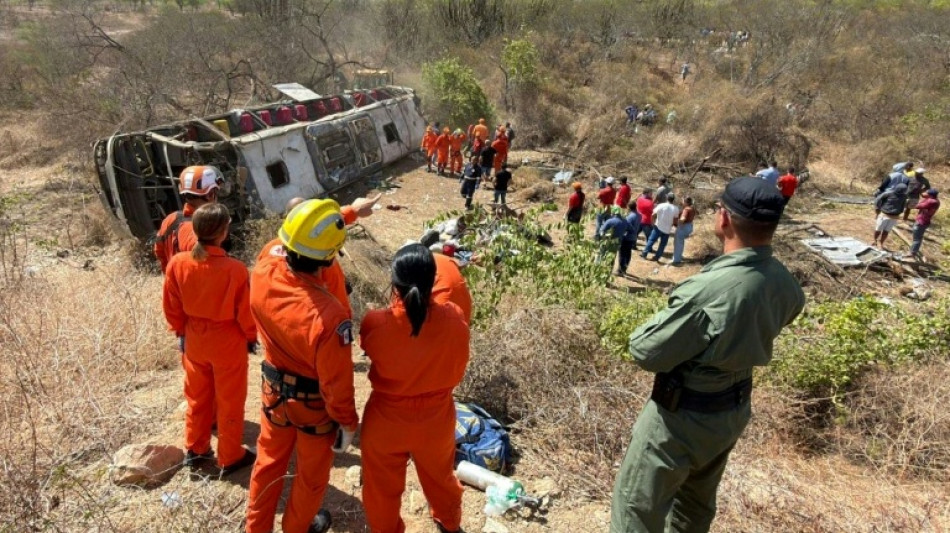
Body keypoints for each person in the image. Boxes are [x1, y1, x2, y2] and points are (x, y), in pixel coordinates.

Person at [610, 176, 805, 533]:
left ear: (724, 218)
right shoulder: (783, 281)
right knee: (694, 507)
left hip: (681, 416)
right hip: (730, 410)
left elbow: (645, 350)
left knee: (637, 507)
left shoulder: (711, 289)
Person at [245, 199, 360, 533]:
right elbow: (336, 382)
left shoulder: (264, 265)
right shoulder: (329, 317)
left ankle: (256, 528)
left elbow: (296, 237)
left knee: (267, 463)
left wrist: (349, 213)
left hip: (273, 393)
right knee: (310, 477)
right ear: (330, 258)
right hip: (313, 408)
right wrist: (347, 423)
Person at [359, 244, 470, 533]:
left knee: (381, 488)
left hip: (386, 420)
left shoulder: (375, 322)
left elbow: (369, 347)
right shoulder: (455, 317)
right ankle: (449, 523)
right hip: (436, 419)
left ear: (394, 282)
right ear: (434, 280)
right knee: (441, 479)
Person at [162, 203, 257, 476]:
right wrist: (251, 337)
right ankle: (230, 456)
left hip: (194, 338)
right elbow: (245, 312)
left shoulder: (178, 263)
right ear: (223, 232)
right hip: (227, 340)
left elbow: (171, 305)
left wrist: (180, 331)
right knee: (229, 400)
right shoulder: (235, 269)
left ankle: (196, 449)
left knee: (197, 397)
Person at [154, 165, 222, 273]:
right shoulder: (202, 230)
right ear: (209, 195)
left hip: (177, 280)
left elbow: (159, 251)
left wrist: (170, 275)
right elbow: (209, 267)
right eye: (215, 192)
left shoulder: (170, 219)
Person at [641, 193, 680, 262]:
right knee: (662, 244)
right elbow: (675, 220)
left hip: (658, 226)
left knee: (651, 240)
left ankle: (644, 253)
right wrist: (674, 225)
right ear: (673, 200)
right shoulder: (676, 209)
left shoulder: (661, 205)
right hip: (667, 229)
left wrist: (652, 223)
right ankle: (657, 257)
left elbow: (653, 214)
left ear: (667, 197)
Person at [873, 183, 908, 249]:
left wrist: (900, 211)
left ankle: (881, 243)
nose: (902, 191)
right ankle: (875, 240)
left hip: (894, 217)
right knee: (878, 230)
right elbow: (878, 199)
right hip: (884, 215)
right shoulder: (888, 193)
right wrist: (877, 208)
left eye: (904, 190)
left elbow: (903, 205)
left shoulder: (904, 196)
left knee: (886, 231)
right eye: (901, 190)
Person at [909, 188, 941, 259]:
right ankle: (914, 250)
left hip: (921, 221)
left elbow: (917, 206)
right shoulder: (936, 200)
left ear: (930, 195)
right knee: (918, 238)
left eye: (926, 192)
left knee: (917, 239)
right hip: (925, 221)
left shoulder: (931, 201)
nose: (925, 193)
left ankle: (912, 253)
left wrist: (913, 202)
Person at [598, 206, 633, 271]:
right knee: (611, 258)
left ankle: (597, 269)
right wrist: (623, 235)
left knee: (601, 256)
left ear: (613, 213)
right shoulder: (625, 221)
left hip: (606, 242)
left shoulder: (610, 221)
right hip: (617, 243)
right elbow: (631, 230)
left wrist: (605, 236)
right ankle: (608, 271)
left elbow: (601, 232)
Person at [671, 196, 696, 266]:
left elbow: (683, 219)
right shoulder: (692, 208)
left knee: (678, 244)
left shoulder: (686, 209)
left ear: (685, 202)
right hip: (689, 226)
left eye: (683, 200)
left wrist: (677, 222)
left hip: (683, 227)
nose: (682, 202)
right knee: (680, 243)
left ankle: (676, 260)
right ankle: (678, 256)